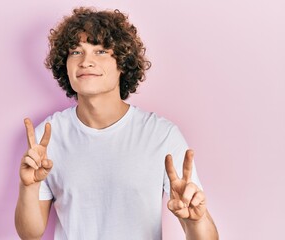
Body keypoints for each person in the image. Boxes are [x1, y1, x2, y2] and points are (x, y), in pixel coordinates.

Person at [15, 6, 219, 240]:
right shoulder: (48, 136)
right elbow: (30, 234)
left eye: (100, 51)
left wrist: (196, 219)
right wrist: (28, 187)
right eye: (75, 51)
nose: (86, 61)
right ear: (66, 65)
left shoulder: (161, 135)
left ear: (122, 63)